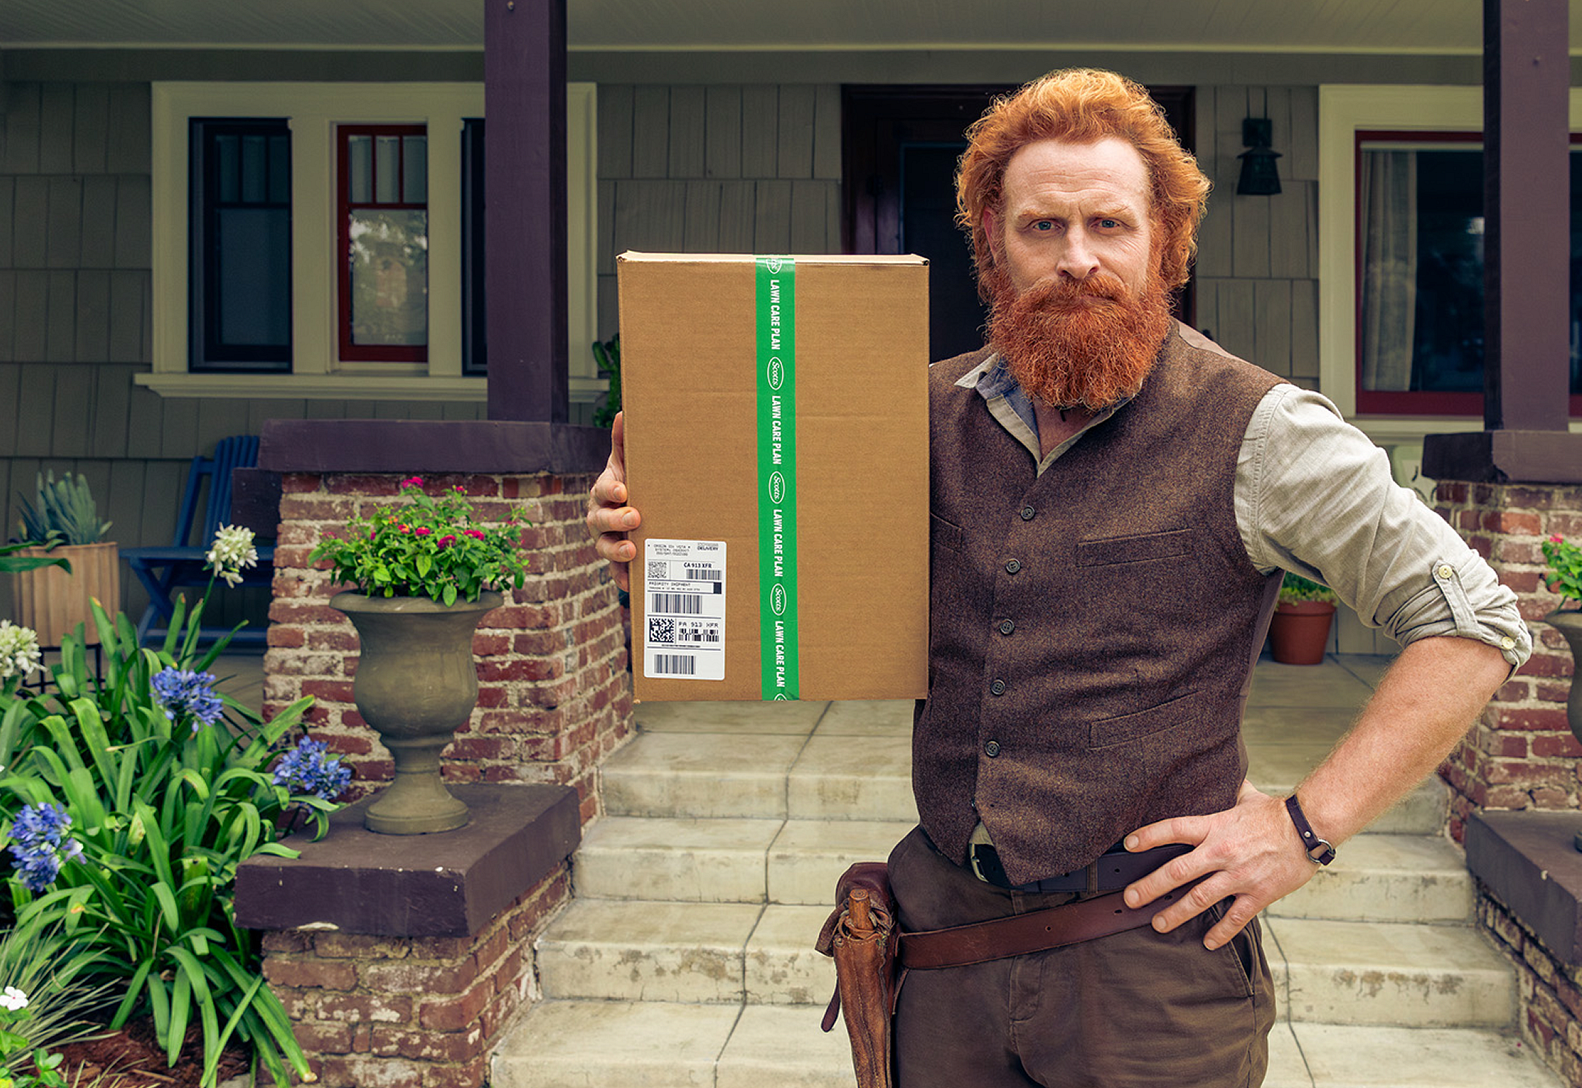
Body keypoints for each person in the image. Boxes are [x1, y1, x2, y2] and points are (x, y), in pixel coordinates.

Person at [587, 68, 1527, 1087]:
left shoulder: (1259, 430)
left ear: (1163, 241)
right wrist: (657, 543)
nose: (1075, 258)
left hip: (1149, 966)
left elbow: (1471, 619)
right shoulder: (913, 412)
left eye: (1108, 226)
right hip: (943, 943)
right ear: (991, 241)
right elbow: (779, 591)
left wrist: (1304, 827)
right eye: (1041, 227)